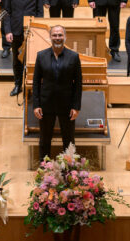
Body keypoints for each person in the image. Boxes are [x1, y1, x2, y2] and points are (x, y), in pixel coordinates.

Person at [33, 25, 82, 160]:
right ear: (50, 37)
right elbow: (36, 82)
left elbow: (78, 84)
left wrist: (76, 107)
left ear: (65, 37)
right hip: (46, 105)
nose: (57, 38)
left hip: (67, 105)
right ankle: (44, 167)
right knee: (44, 139)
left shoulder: (74, 57)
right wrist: (36, 105)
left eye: (60, 35)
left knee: (68, 140)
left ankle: (69, 168)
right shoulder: (41, 56)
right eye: (54, 35)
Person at [3, 0, 44, 97]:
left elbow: (40, 12)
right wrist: (8, 31)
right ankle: (17, 85)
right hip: (15, 30)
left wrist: (38, 30)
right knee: (17, 60)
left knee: (31, 60)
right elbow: (6, 12)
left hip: (31, 31)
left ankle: (31, 86)